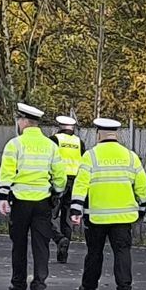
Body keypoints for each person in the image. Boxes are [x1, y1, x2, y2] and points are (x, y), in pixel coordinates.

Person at [71, 116, 146, 290]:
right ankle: (125, 288)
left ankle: (89, 288)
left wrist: (76, 209)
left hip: (97, 216)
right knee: (122, 252)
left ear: (98, 134)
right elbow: (142, 185)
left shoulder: (90, 156)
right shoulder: (130, 156)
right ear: (117, 134)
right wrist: (142, 206)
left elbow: (81, 184)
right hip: (123, 216)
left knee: (94, 252)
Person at [0, 102, 68, 290]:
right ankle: (39, 286)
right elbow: (60, 175)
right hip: (43, 202)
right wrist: (57, 192)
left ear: (23, 122)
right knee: (41, 245)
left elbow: (7, 172)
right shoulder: (50, 145)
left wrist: (3, 196)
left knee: (18, 245)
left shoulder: (15, 144)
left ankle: (18, 285)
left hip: (20, 201)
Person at [52, 113, 84, 264]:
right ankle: (63, 253)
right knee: (67, 218)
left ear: (60, 127)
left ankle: (59, 239)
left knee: (48, 215)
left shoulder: (55, 140)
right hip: (74, 182)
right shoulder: (79, 142)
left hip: (59, 181)